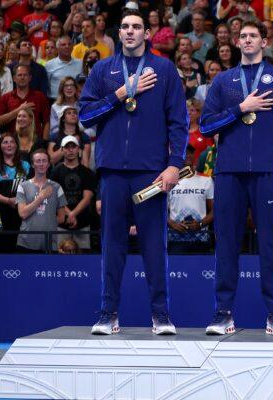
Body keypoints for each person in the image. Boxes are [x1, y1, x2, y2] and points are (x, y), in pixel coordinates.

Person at [79, 9, 188, 336]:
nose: (130, 31)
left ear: (146, 33)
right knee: (112, 247)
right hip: (112, 171)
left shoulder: (164, 69)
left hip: (151, 173)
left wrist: (174, 164)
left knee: (154, 247)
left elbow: (179, 122)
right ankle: (108, 314)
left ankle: (161, 315)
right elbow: (85, 115)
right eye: (125, 26)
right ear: (119, 33)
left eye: (136, 26)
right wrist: (121, 93)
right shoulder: (102, 69)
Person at [199, 20, 273, 336]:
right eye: (242, 36)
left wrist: (272, 152)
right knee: (226, 246)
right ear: (237, 42)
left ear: (263, 41)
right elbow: (206, 126)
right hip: (229, 172)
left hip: (267, 172)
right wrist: (241, 108)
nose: (247, 40)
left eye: (253, 36)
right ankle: (223, 314)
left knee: (271, 246)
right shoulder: (223, 81)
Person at [49, 136, 96, 250]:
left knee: (84, 261)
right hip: (61, 224)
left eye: (73, 147)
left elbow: (87, 197)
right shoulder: (55, 172)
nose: (70, 150)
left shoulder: (87, 172)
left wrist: (73, 214)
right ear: (62, 150)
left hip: (83, 223)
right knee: (60, 259)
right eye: (67, 147)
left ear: (79, 150)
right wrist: (69, 214)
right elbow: (55, 196)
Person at [16, 149, 67, 252]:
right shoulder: (23, 186)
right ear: (32, 164)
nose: (41, 164)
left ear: (48, 164)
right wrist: (40, 197)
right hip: (26, 243)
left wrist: (45, 223)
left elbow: (61, 218)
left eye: (44, 161)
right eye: (38, 161)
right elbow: (22, 213)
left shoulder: (57, 187)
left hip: (49, 242)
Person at [167, 145, 214, 254]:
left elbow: (214, 210)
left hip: (201, 237)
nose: (188, 156)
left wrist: (200, 224)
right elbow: (160, 210)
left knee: (201, 269)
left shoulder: (206, 180)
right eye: (184, 153)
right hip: (176, 237)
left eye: (190, 153)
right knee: (175, 269)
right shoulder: (169, 181)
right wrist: (173, 224)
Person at [0, 64, 50, 140]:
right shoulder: (6, 98)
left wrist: (44, 142)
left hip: (35, 142)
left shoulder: (39, 96)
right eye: (19, 75)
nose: (22, 77)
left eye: (25, 75)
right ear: (14, 78)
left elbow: (46, 122)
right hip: (12, 143)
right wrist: (18, 110)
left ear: (30, 78)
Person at [0, 132, 30, 253]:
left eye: (12, 142)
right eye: (5, 142)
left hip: (20, 213)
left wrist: (18, 200)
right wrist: (7, 200)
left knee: (19, 248)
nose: (9, 145)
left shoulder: (25, 165)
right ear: (0, 146)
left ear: (17, 145)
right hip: (0, 214)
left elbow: (31, 187)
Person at [45, 36, 83, 101]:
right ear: (57, 48)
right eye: (63, 45)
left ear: (72, 47)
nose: (67, 46)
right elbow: (46, 86)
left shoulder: (80, 64)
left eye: (69, 44)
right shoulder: (49, 65)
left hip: (75, 102)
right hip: (54, 102)